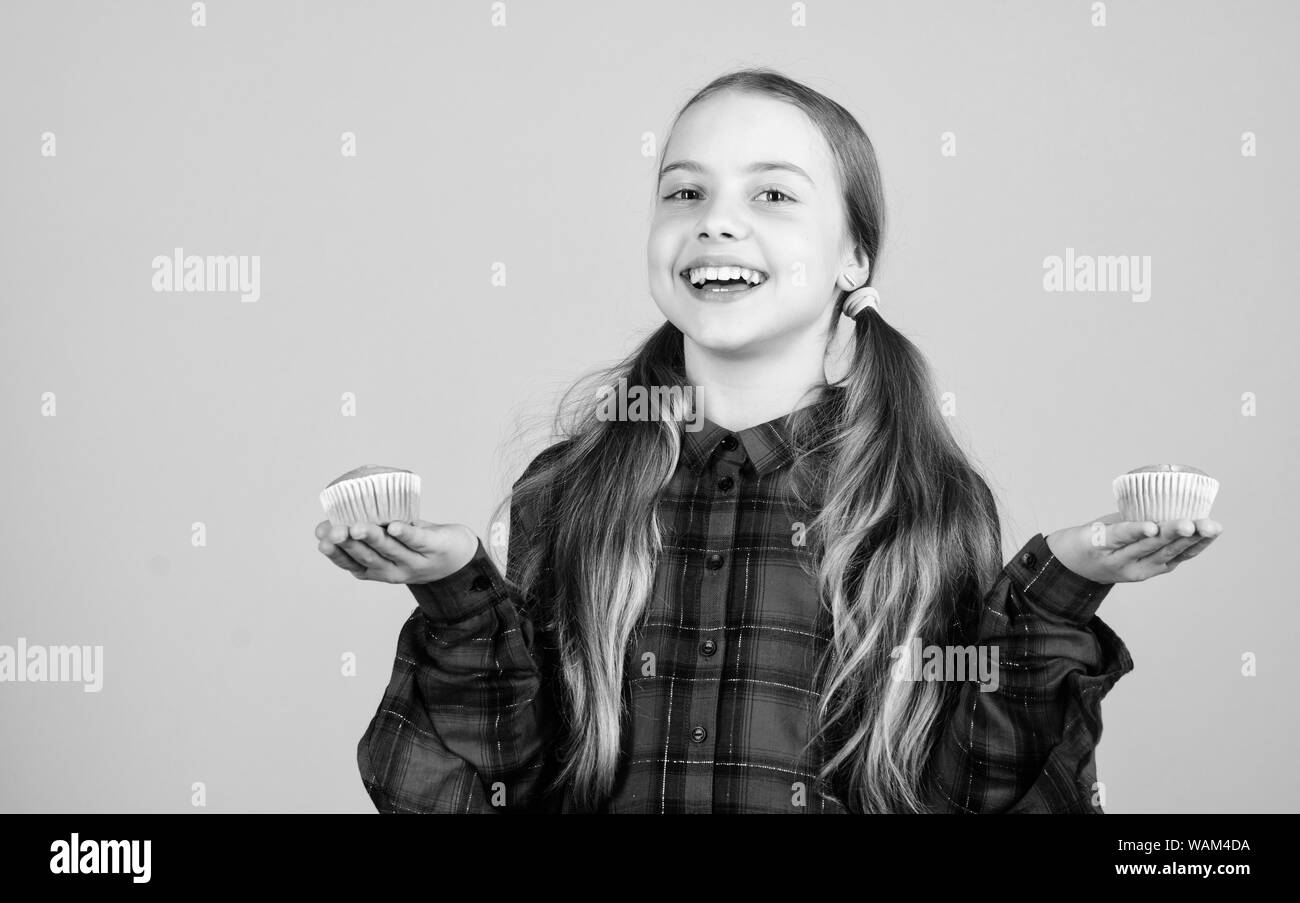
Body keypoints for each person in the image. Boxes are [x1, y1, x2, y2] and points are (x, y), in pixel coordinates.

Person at [315, 68, 1222, 814]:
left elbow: (966, 790)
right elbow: (508, 777)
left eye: (774, 193)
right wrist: (452, 593)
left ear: (853, 259)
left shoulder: (920, 504)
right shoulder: (571, 489)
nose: (716, 218)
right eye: (684, 190)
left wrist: (1060, 595)